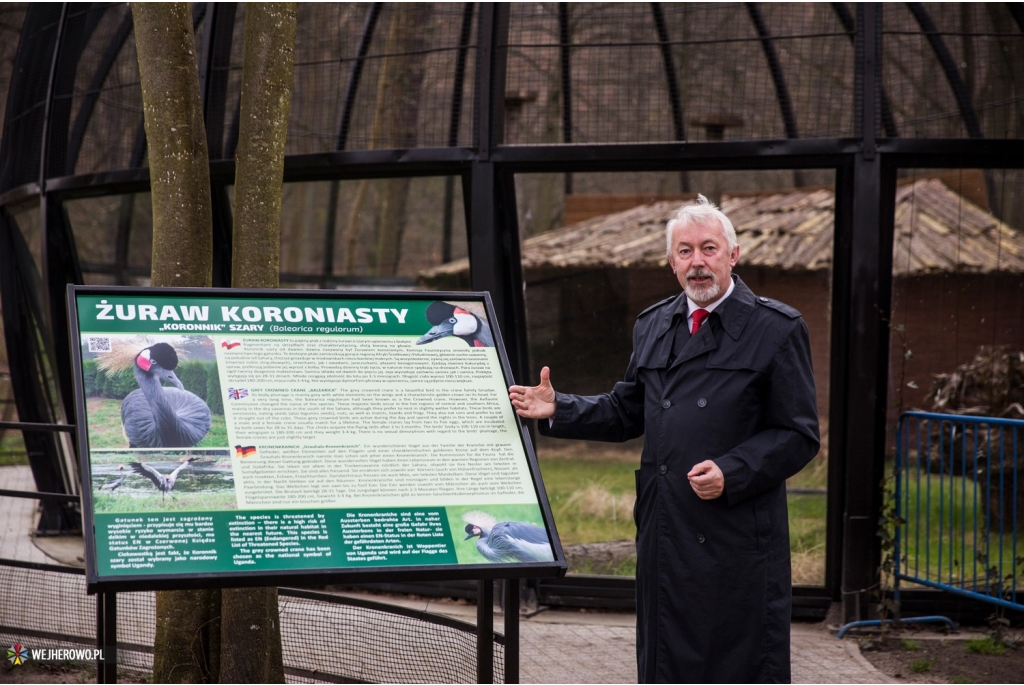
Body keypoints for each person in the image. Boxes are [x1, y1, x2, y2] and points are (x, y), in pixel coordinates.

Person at [509, 195, 819, 683]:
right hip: (666, 530)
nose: (698, 262)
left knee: (736, 664)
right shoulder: (653, 324)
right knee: (665, 662)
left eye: (709, 249)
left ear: (733, 255)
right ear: (671, 262)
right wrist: (559, 407)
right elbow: (626, 411)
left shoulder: (776, 328)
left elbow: (798, 435)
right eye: (685, 251)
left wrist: (733, 471)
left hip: (734, 537)